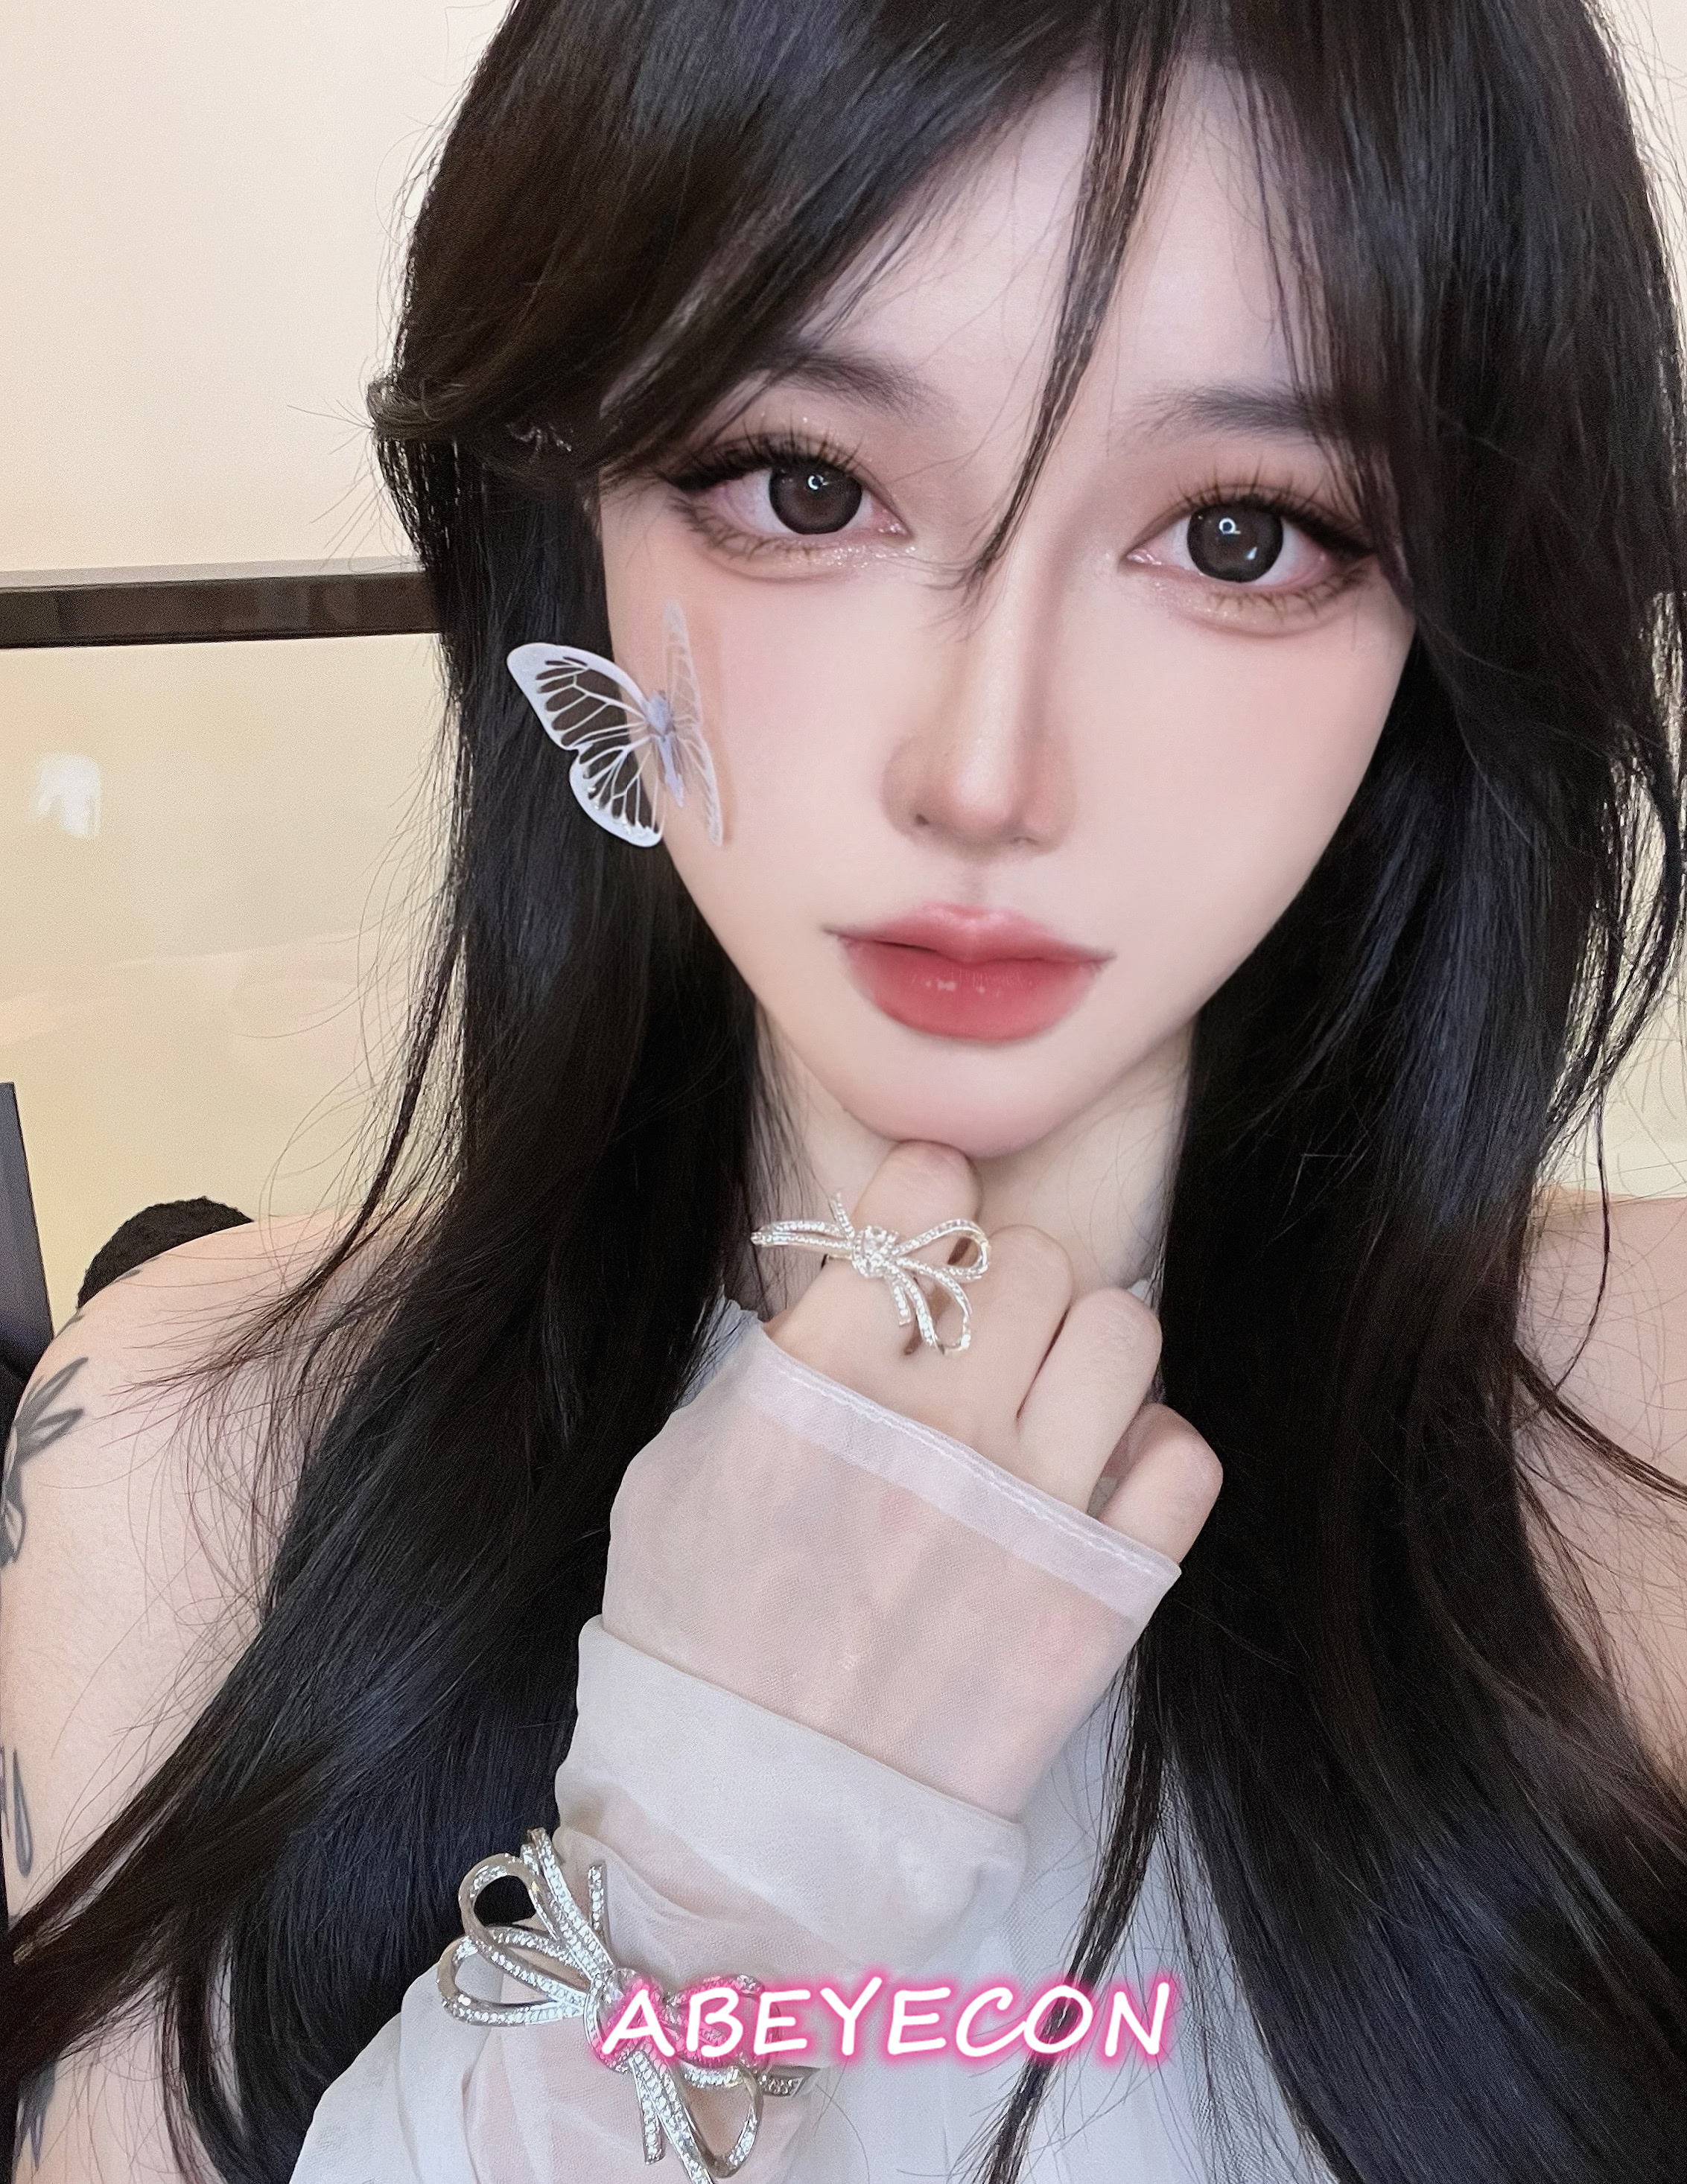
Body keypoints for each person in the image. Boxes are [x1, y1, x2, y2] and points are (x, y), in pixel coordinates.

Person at [4, 0, 1687, 2177]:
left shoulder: (1648, 1434)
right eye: (806, 487)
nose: (984, 772)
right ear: (576, 525)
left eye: (1242, 535)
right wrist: (694, 1896)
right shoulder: (187, 1453)